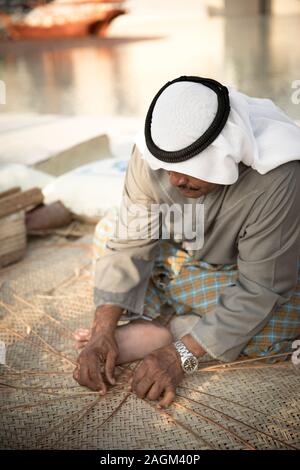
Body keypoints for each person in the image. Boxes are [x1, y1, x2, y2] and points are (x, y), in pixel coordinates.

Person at [73, 76, 300, 408]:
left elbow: (261, 289)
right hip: (184, 258)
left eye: (191, 170)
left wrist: (178, 355)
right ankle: (192, 323)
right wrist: (102, 329)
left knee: (285, 315)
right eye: (167, 168)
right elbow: (128, 245)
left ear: (227, 150)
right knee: (107, 232)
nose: (175, 179)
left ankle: (169, 328)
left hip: (252, 272)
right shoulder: (150, 152)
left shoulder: (278, 178)